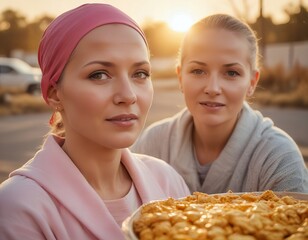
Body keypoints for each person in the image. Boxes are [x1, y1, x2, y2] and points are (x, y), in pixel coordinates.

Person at [0, 4, 190, 240]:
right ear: (54, 93)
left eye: (140, 73)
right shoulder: (19, 207)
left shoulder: (167, 181)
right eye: (99, 74)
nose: (128, 95)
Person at [131, 14, 308, 194]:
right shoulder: (152, 145)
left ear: (252, 83)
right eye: (198, 71)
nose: (213, 88)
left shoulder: (278, 159)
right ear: (180, 77)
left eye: (231, 73)